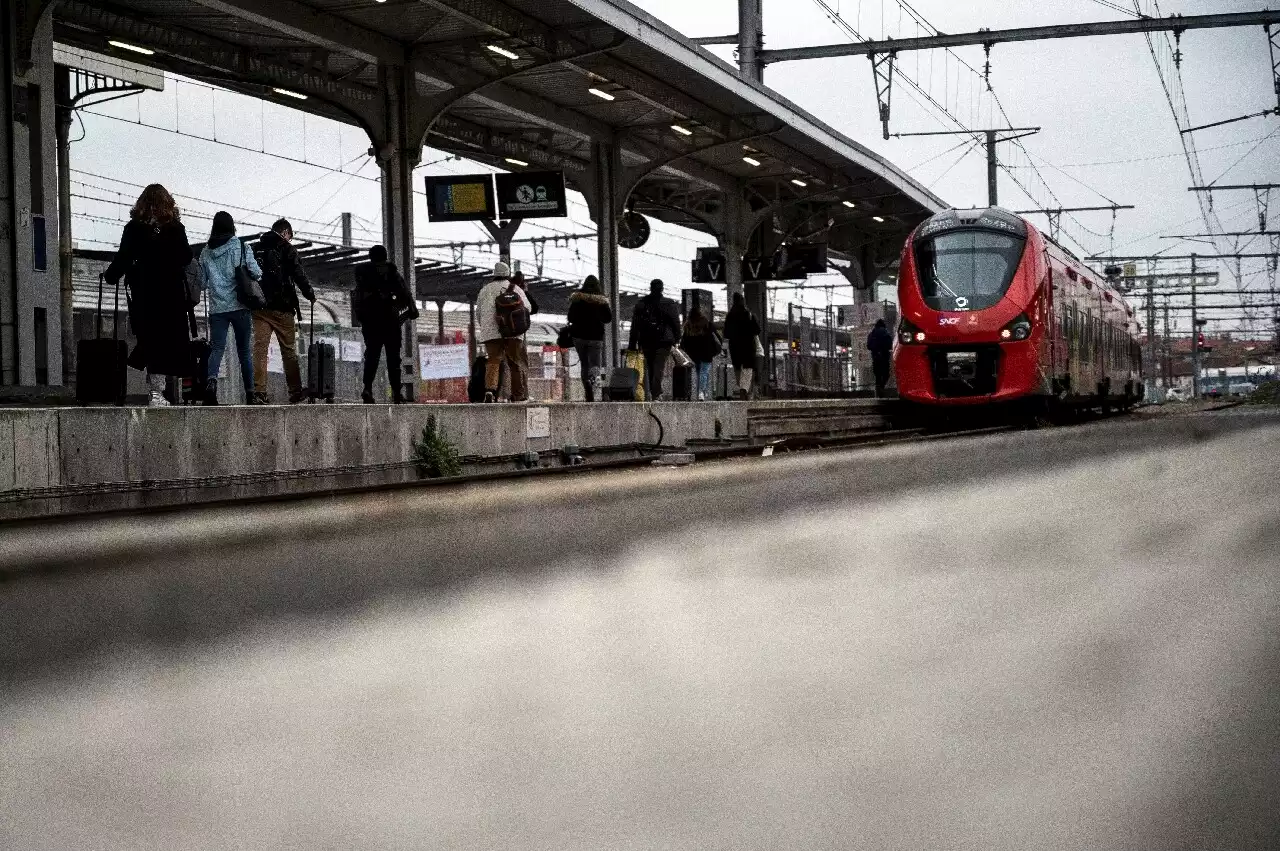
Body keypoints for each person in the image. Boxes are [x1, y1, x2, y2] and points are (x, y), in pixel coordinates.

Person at [104, 183, 193, 407]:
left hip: (144, 293)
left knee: (151, 339)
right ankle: (157, 393)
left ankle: (155, 393)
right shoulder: (175, 227)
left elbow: (123, 257)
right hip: (170, 294)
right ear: (168, 203)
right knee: (167, 341)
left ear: (142, 203)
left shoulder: (134, 228)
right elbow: (186, 256)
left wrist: (111, 276)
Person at [197, 211, 261, 405]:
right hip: (240, 307)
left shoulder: (205, 252)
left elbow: (202, 283)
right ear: (232, 226)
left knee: (217, 349)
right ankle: (250, 394)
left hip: (218, 309)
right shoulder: (241, 247)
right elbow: (256, 273)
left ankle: (211, 383)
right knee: (244, 352)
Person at [251, 218, 315, 404]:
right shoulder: (287, 248)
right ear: (286, 233)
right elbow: (298, 274)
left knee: (260, 349)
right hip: (283, 307)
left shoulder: (256, 248)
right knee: (288, 350)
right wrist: (309, 293)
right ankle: (295, 391)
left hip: (260, 307)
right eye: (290, 236)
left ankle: (259, 391)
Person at [354, 245, 414, 404]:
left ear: (370, 256)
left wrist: (363, 318)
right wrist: (411, 310)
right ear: (385, 256)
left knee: (371, 356)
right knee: (393, 359)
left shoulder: (362, 275)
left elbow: (357, 298)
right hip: (390, 322)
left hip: (371, 324)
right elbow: (405, 293)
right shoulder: (392, 272)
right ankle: (396, 393)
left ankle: (367, 388)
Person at [475, 261, 530, 403]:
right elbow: (527, 309)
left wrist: (487, 327)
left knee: (493, 360)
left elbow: (478, 312)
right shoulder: (516, 288)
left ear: (494, 274)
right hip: (513, 332)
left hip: (491, 333)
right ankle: (518, 395)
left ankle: (490, 391)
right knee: (515, 362)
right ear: (508, 274)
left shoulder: (485, 290)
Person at [627, 278, 681, 401]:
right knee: (658, 366)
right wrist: (677, 338)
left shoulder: (642, 303)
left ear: (650, 288)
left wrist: (632, 343)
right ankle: (656, 393)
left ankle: (652, 391)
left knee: (650, 366)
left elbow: (635, 325)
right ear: (662, 289)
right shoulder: (669, 303)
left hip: (647, 340)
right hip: (664, 341)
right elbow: (675, 322)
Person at [566, 275, 613, 402]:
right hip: (595, 337)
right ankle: (595, 386)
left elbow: (570, 318)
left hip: (579, 337)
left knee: (584, 364)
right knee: (596, 365)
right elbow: (608, 318)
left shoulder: (577, 299)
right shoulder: (601, 301)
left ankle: (588, 390)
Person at [724, 292, 761, 400]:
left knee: (737, 368)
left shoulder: (730, 316)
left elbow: (726, 333)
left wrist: (725, 347)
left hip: (735, 346)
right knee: (748, 368)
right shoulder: (749, 314)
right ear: (742, 301)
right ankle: (744, 388)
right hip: (748, 346)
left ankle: (740, 386)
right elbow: (757, 330)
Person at [679, 308, 722, 401]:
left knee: (698, 372)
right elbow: (716, 336)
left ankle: (699, 391)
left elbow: (684, 341)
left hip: (693, 353)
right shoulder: (706, 323)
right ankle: (701, 392)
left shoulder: (688, 325)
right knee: (704, 372)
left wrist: (684, 350)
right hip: (707, 352)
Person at [867, 318, 894, 397]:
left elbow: (868, 346)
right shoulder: (885, 332)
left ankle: (878, 392)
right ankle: (882, 387)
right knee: (886, 374)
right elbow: (890, 344)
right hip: (884, 356)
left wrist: (875, 350)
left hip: (875, 357)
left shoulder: (872, 334)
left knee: (877, 375)